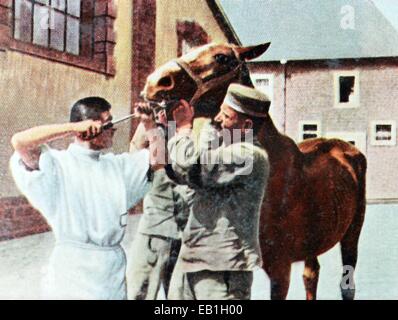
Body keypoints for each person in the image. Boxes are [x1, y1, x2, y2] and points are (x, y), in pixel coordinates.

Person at [9, 97, 164, 300]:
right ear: (91, 127)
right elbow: (19, 142)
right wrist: (73, 128)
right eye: (109, 123)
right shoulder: (57, 163)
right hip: (73, 271)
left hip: (112, 270)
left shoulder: (116, 166)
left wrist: (150, 125)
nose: (114, 130)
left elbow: (158, 159)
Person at [166, 84, 271, 300]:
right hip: (194, 258)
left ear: (246, 125)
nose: (218, 119)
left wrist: (184, 128)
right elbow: (179, 173)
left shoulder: (250, 156)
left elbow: (190, 164)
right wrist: (164, 125)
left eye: (226, 115)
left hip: (223, 266)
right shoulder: (225, 149)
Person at [127, 108, 194, 300]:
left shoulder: (197, 129)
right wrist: (152, 123)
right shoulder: (150, 132)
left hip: (188, 235)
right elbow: (136, 151)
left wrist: (184, 126)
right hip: (155, 231)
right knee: (139, 293)